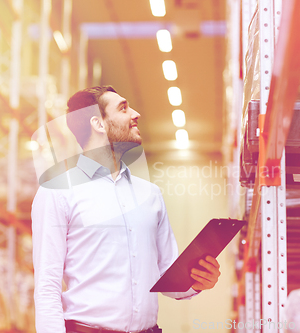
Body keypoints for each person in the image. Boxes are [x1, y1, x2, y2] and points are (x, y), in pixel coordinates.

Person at [32, 86, 221, 333]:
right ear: (98, 124)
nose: (136, 114)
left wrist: (197, 281)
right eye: (123, 108)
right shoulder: (57, 192)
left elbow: (169, 280)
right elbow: (47, 286)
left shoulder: (150, 195)